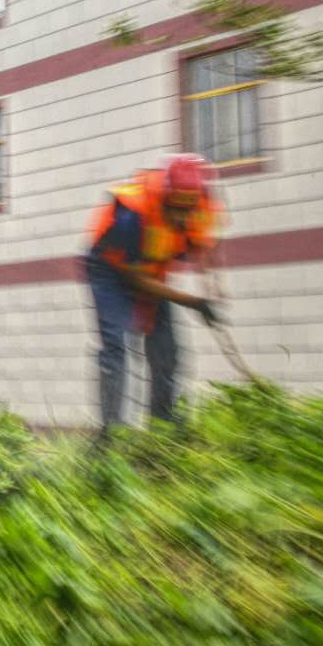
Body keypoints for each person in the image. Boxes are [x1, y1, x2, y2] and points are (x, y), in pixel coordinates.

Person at [84, 152, 225, 438]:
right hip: (111, 271)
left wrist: (212, 291)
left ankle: (163, 429)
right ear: (164, 197)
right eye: (176, 209)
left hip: (152, 272)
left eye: (188, 210)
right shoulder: (131, 216)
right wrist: (193, 302)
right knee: (117, 346)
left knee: (168, 351)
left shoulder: (201, 205)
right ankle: (110, 436)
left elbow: (202, 247)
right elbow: (136, 280)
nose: (182, 216)